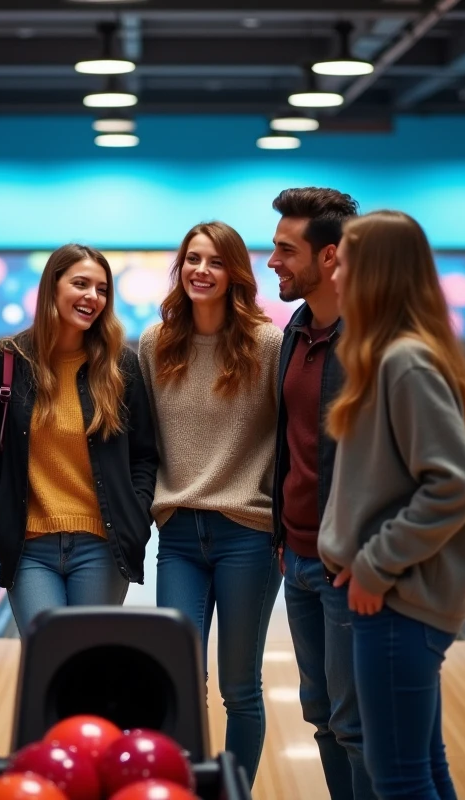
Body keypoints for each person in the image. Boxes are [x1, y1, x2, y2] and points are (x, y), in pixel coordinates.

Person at [320, 210, 465, 800]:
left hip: (397, 600)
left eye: (347, 261)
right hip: (398, 599)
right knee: (423, 767)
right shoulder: (390, 355)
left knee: (398, 778)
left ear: (378, 273)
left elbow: (455, 483)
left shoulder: (403, 361)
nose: (335, 274)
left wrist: (375, 564)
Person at [137, 221, 283, 786]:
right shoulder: (156, 343)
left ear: (235, 273)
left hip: (246, 531)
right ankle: (179, 789)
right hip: (177, 535)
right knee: (178, 677)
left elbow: (291, 435)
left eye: (215, 261)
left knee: (239, 686)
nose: (201, 270)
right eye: (192, 259)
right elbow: (144, 440)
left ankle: (234, 791)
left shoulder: (268, 344)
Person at [0, 243, 157, 633]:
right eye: (80, 283)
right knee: (48, 664)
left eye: (102, 289)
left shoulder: (119, 366)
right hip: (29, 549)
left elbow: (144, 455)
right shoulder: (6, 361)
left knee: (89, 666)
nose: (92, 296)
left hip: (101, 546)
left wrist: (137, 515)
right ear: (52, 287)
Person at [268, 187, 376, 800]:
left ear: (329, 256)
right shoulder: (296, 332)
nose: (273, 260)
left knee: (355, 724)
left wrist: (367, 554)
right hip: (299, 560)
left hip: (346, 567)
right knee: (322, 717)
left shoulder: (371, 343)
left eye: (286, 249)